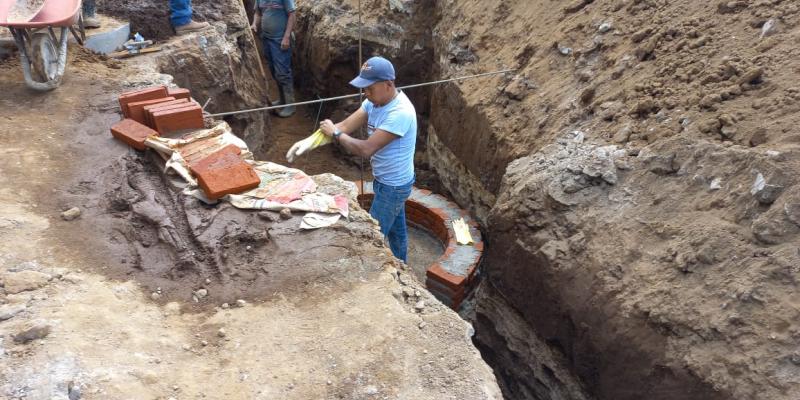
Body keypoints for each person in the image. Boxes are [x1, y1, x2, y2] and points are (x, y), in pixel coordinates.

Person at [319, 56, 417, 263]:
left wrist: (335, 134)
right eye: (364, 88)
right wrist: (315, 139)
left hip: (394, 186)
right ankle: (403, 266)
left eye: (370, 88)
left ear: (388, 84)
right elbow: (345, 125)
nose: (366, 93)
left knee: (371, 238)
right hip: (385, 180)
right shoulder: (373, 101)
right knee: (397, 233)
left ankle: (378, 271)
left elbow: (366, 149)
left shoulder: (401, 113)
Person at [251, 0, 296, 118]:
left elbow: (292, 15)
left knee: (282, 72)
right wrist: (254, 24)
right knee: (273, 70)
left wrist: (286, 37)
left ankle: (291, 105)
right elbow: (258, 13)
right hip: (266, 38)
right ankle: (282, 99)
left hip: (280, 39)